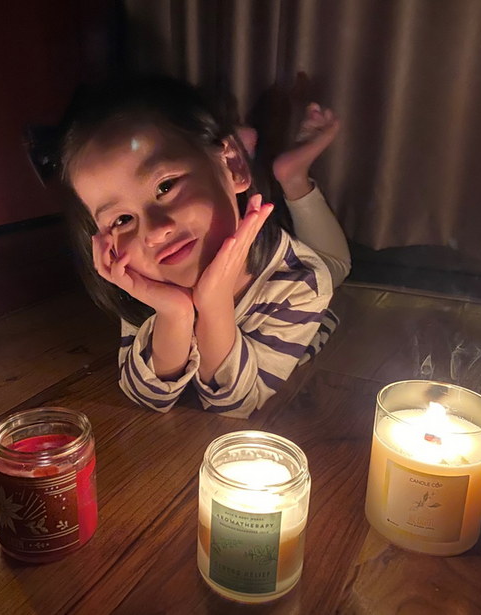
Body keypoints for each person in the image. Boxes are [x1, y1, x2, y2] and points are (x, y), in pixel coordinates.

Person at [60, 77, 350, 418]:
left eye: (165, 186)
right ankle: (281, 169)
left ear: (232, 166)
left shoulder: (302, 282)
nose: (154, 232)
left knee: (336, 266)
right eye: (122, 219)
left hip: (295, 264)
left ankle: (293, 177)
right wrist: (175, 313)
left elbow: (236, 405)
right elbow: (148, 395)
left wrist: (215, 304)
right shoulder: (143, 273)